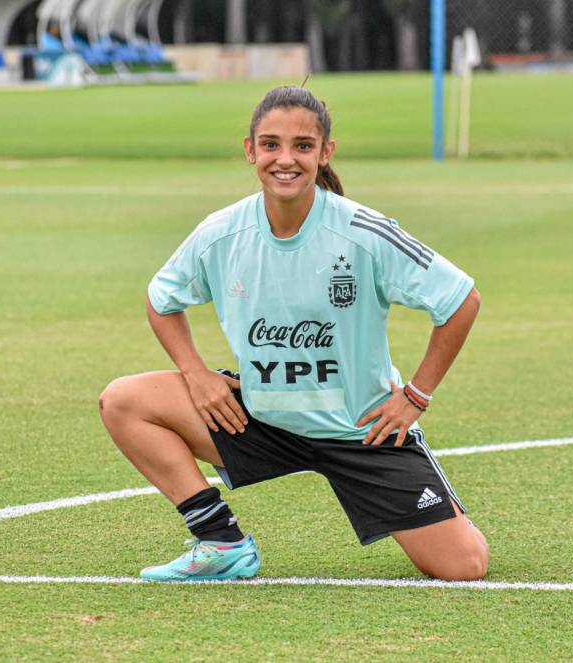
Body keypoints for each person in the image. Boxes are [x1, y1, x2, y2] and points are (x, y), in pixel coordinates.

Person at [99, 85, 488, 582]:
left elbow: (460, 300)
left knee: (464, 566)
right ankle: (221, 542)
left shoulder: (363, 233)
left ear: (325, 152)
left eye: (302, 146)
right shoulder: (222, 233)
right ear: (250, 151)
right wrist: (195, 373)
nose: (285, 160)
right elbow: (161, 300)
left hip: (361, 431)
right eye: (270, 145)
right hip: (259, 419)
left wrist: (415, 395)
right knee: (124, 401)